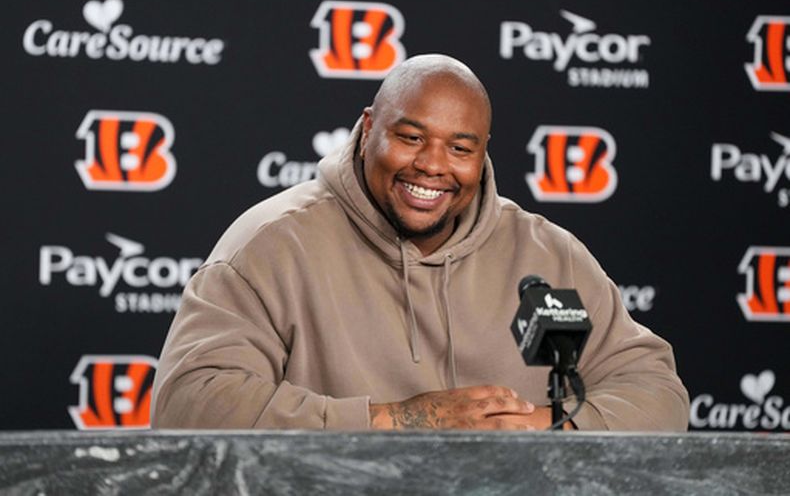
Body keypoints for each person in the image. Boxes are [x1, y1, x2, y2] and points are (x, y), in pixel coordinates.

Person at [151, 54, 689, 431]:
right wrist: (405, 420)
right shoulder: (270, 246)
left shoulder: (545, 257)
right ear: (368, 129)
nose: (433, 166)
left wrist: (534, 430)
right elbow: (190, 406)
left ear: (482, 155)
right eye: (410, 138)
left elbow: (655, 393)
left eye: (460, 147)